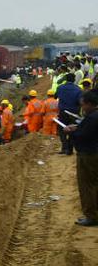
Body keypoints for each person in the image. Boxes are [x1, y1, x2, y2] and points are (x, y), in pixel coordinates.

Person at [62, 90, 98, 226]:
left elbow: (83, 136)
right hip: (94, 153)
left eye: (83, 105)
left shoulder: (91, 118)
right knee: (94, 183)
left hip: (88, 155)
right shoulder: (94, 116)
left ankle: (91, 216)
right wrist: (78, 127)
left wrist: (71, 132)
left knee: (86, 185)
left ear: (89, 104)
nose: (82, 107)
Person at [56, 73, 83, 155]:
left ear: (66, 79)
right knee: (72, 131)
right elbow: (80, 102)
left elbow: (55, 96)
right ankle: (70, 149)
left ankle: (64, 147)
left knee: (61, 130)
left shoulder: (60, 88)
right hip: (74, 113)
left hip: (63, 112)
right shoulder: (78, 89)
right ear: (74, 80)